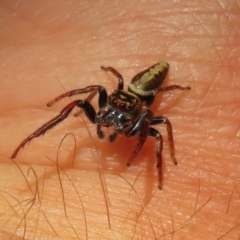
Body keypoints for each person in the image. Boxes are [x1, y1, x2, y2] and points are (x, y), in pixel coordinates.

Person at [0, 1, 239, 239]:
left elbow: (151, 114)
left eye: (120, 112)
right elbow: (95, 89)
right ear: (111, 99)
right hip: (132, 89)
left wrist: (140, 150)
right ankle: (32, 136)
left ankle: (162, 171)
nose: (113, 117)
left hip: (144, 95)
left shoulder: (143, 108)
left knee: (158, 124)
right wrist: (65, 100)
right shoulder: (110, 100)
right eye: (112, 107)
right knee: (84, 98)